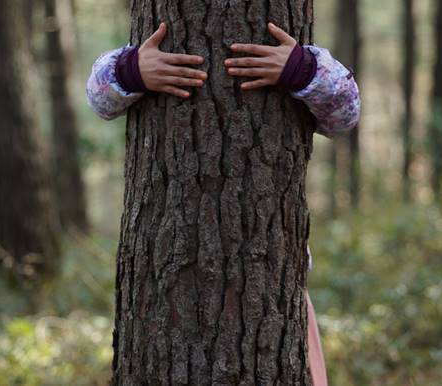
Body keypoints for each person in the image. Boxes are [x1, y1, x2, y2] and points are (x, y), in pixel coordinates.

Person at [86, 21, 361, 386]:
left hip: (270, 281)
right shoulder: (140, 56)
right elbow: (99, 100)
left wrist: (299, 68)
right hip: (167, 281)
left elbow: (346, 112)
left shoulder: (302, 63)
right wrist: (132, 70)